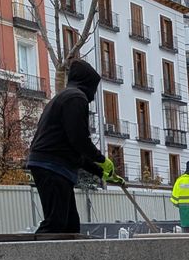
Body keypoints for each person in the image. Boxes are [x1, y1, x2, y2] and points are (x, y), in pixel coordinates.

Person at [26, 59, 120, 234]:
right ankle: (34, 258)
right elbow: (79, 140)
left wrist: (101, 173)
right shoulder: (76, 98)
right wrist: (101, 159)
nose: (93, 97)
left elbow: (75, 150)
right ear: (88, 84)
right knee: (56, 223)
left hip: (52, 164)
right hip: (52, 166)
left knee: (70, 225)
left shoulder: (65, 97)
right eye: (94, 88)